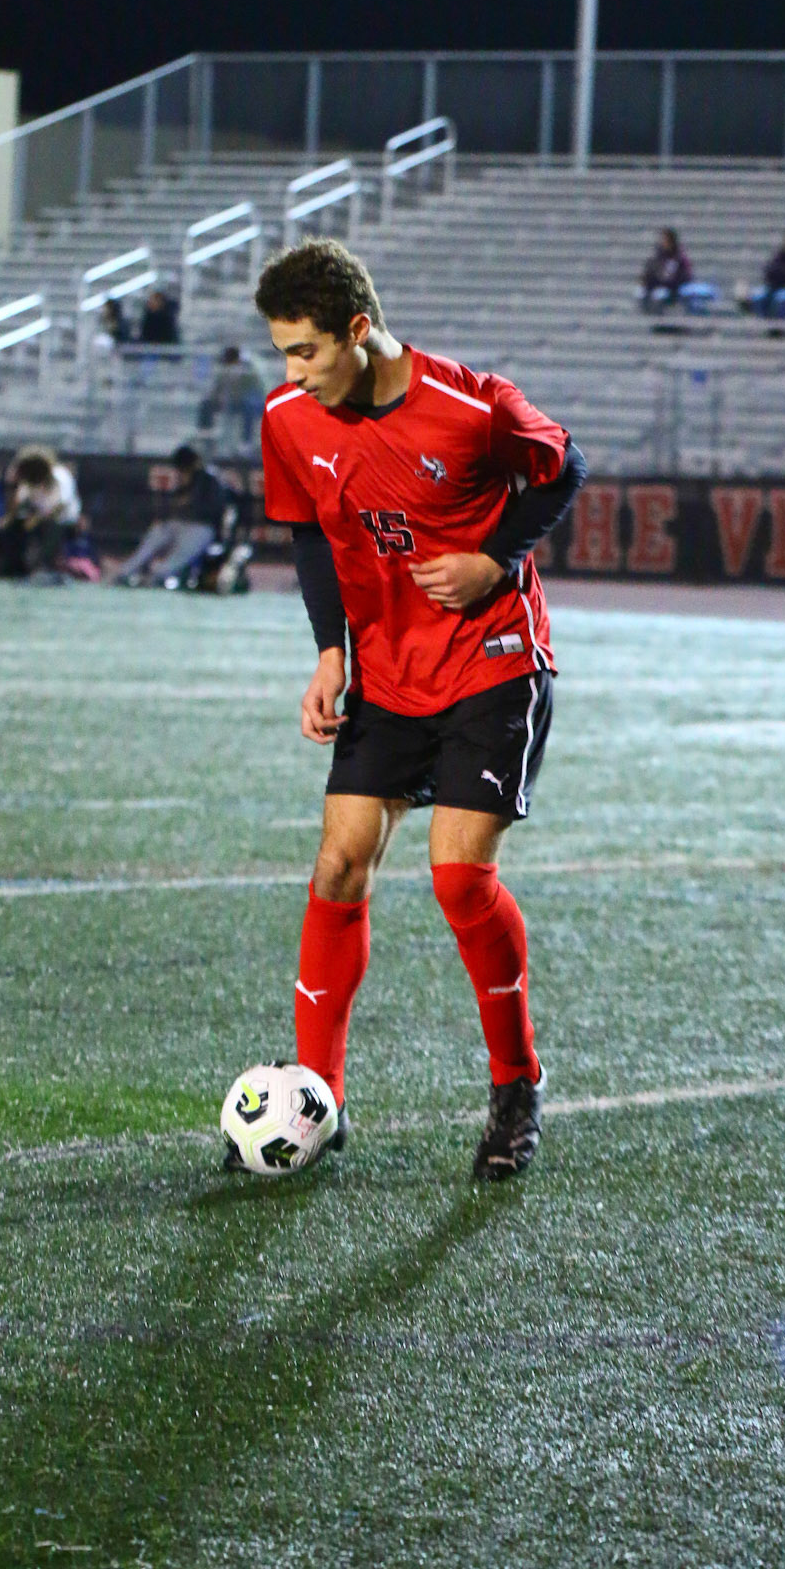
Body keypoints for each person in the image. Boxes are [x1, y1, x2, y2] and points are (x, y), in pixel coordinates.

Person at [255, 236, 587, 1181]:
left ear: (358, 330)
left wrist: (493, 560)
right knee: (338, 864)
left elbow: (564, 467)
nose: (292, 371)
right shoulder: (288, 418)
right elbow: (309, 534)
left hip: (492, 664)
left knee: (458, 879)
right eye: (283, 352)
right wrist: (331, 652)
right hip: (388, 675)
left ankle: (515, 1086)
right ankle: (317, 1101)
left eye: (307, 350)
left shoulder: (471, 407)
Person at [112, 443, 229, 587]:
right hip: (179, 525)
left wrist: (186, 503)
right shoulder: (186, 480)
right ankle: (124, 573)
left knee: (178, 556)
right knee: (157, 534)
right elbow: (173, 506)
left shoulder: (210, 479)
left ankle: (157, 577)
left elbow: (210, 511)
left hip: (202, 527)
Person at [0, 446, 81, 579]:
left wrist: (35, 520)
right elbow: (19, 504)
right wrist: (11, 485)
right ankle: (13, 566)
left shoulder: (60, 476)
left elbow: (57, 506)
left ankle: (42, 566)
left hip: (63, 520)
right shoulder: (29, 482)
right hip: (38, 518)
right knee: (11, 527)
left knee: (51, 527)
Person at [197, 344, 265, 452]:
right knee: (206, 404)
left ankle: (246, 441)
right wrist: (215, 397)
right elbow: (216, 388)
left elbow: (255, 389)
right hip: (226, 401)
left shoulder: (248, 370)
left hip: (243, 402)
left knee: (249, 408)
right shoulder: (222, 371)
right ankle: (205, 436)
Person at [739, 231, 785, 320]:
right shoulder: (781, 256)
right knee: (758, 297)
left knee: (781, 299)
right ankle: (763, 321)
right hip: (776, 287)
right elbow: (770, 270)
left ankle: (779, 325)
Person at [638, 228, 693, 311]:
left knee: (660, 295)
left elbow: (683, 275)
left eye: (665, 240)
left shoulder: (678, 258)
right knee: (640, 292)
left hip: (673, 288)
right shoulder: (657, 256)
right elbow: (650, 270)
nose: (663, 242)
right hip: (655, 284)